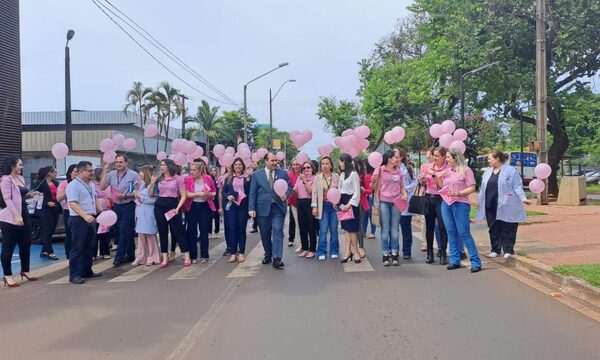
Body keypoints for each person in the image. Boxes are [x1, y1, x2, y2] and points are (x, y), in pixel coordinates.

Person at [433, 149, 482, 272]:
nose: (447, 159)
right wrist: (437, 177)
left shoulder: (466, 170)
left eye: (449, 157)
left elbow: (472, 187)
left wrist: (458, 193)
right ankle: (454, 260)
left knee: (464, 233)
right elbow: (440, 186)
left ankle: (475, 262)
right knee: (451, 232)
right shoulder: (448, 171)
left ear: (456, 157)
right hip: (446, 203)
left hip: (460, 204)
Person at [476, 150, 531, 259]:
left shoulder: (510, 171)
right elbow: (483, 188)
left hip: (507, 204)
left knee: (508, 227)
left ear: (497, 159)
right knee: (493, 228)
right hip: (490, 204)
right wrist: (479, 200)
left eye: (490, 158)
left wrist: (523, 198)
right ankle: (495, 249)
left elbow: (517, 186)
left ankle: (508, 250)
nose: (488, 160)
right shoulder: (487, 172)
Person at [248, 153, 292, 269]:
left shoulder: (282, 173)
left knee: (278, 230)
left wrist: (286, 195)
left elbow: (289, 187)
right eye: (272, 161)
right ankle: (268, 254)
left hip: (278, 207)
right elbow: (252, 193)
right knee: (265, 233)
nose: (275, 163)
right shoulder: (257, 175)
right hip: (262, 208)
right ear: (266, 161)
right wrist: (251, 208)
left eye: (276, 161)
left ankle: (277, 258)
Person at [1, 157, 38, 287]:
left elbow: (21, 196)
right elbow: (8, 200)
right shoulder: (5, 180)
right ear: (12, 166)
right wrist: (17, 216)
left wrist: (31, 195)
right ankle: (7, 275)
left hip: (25, 213)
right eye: (20, 165)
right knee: (8, 247)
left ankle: (25, 270)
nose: (22, 167)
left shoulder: (21, 179)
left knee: (26, 243)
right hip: (10, 218)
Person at [100, 154, 141, 267]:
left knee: (124, 229)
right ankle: (131, 253)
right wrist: (105, 171)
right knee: (123, 231)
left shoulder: (133, 175)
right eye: (117, 162)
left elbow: (137, 192)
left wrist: (125, 195)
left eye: (121, 162)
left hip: (128, 205)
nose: (118, 164)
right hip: (116, 206)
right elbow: (102, 187)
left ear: (126, 163)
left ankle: (119, 257)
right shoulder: (112, 174)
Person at [65, 161, 102, 284]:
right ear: (81, 171)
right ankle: (74, 274)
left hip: (90, 217)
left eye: (92, 170)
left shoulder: (90, 184)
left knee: (89, 246)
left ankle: (87, 270)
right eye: (89, 171)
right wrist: (84, 215)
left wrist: (98, 209)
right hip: (79, 218)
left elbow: (94, 197)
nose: (92, 173)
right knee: (77, 247)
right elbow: (73, 203)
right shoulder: (74, 185)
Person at [149, 159, 190, 268]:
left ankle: (186, 255)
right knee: (162, 232)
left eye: (164, 165)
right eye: (161, 165)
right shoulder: (159, 178)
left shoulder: (178, 179)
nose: (161, 167)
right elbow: (150, 194)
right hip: (160, 205)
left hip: (172, 205)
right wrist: (152, 183)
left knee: (178, 231)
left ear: (169, 166)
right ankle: (165, 257)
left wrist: (177, 208)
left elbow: (184, 195)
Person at [371, 150, 408, 266]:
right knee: (385, 229)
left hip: (396, 201)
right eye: (395, 157)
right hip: (384, 201)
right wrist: (373, 180)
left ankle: (395, 253)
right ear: (389, 159)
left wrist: (405, 194)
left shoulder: (399, 172)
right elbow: (373, 187)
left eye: (398, 158)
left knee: (395, 228)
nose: (398, 159)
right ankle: (385, 254)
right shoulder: (380, 170)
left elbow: (402, 186)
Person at [420, 146, 450, 265]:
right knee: (429, 227)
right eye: (434, 155)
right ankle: (430, 253)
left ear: (443, 157)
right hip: (428, 198)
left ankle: (443, 253)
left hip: (441, 198)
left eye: (438, 156)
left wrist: (433, 175)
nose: (435, 158)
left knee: (442, 226)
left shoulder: (447, 169)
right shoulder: (427, 166)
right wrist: (422, 179)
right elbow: (422, 182)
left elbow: (440, 187)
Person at [184, 161, 217, 264]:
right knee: (191, 231)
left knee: (204, 231)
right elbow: (186, 194)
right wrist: (199, 193)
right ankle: (193, 256)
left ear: (200, 170)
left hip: (205, 206)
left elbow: (214, 191)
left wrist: (209, 194)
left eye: (194, 170)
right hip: (192, 206)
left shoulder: (208, 178)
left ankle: (204, 255)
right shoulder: (187, 179)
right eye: (191, 170)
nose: (192, 172)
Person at [222, 158, 251, 263]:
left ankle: (241, 252)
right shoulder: (228, 178)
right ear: (233, 166)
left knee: (241, 229)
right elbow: (223, 192)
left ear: (242, 166)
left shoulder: (246, 178)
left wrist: (248, 179)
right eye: (235, 165)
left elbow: (250, 191)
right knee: (232, 229)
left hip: (243, 206)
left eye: (239, 164)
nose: (237, 166)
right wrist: (228, 196)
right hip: (232, 206)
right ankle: (233, 252)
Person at [312, 156, 340, 261]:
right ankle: (322, 251)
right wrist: (314, 207)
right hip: (322, 206)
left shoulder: (336, 176)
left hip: (333, 206)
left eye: (327, 163)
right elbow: (314, 193)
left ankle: (334, 251)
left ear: (331, 165)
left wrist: (337, 202)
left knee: (334, 229)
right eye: (323, 164)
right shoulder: (317, 178)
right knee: (323, 230)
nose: (325, 166)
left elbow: (340, 190)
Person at [132, 165, 160, 266]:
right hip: (140, 211)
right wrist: (136, 190)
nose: (139, 174)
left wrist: (141, 196)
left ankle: (153, 257)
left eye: (141, 172)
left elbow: (152, 200)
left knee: (149, 234)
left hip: (149, 212)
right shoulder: (142, 184)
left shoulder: (154, 185)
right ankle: (141, 257)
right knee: (141, 235)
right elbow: (139, 197)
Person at [338, 153, 363, 264]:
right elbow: (339, 189)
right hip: (343, 202)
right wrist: (339, 203)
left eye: (341, 161)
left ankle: (356, 251)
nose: (339, 164)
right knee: (346, 230)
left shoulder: (354, 174)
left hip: (351, 203)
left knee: (352, 229)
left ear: (345, 162)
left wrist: (350, 204)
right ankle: (348, 252)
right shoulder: (342, 175)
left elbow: (357, 192)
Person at [35, 166, 60, 260]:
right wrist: (46, 202)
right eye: (54, 172)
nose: (56, 173)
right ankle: (50, 252)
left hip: (55, 208)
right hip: (44, 209)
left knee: (52, 230)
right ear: (49, 173)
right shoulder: (40, 183)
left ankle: (44, 251)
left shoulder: (55, 183)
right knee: (47, 230)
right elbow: (36, 196)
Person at [397, 148, 418, 260]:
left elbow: (415, 181)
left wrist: (406, 188)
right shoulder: (390, 168)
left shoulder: (408, 169)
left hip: (406, 201)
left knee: (406, 227)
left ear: (401, 157)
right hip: (394, 201)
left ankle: (407, 251)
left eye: (396, 155)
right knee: (394, 228)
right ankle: (394, 250)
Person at [294, 160, 317, 258]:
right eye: (304, 168)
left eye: (308, 167)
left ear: (312, 168)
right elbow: (295, 189)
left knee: (311, 227)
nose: (306, 170)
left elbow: (310, 191)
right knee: (302, 227)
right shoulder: (299, 178)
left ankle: (312, 249)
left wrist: (305, 181)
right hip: (300, 202)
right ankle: (305, 248)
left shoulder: (315, 179)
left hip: (310, 202)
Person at [56, 164, 78, 260]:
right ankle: (69, 256)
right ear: (70, 173)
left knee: (80, 235)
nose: (77, 174)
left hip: (81, 211)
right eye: (76, 172)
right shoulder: (64, 184)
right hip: (68, 211)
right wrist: (69, 189)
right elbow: (59, 198)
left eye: (79, 171)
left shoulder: (83, 183)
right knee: (70, 234)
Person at [354, 157, 372, 258]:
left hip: (360, 203)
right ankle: (354, 247)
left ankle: (361, 247)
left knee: (358, 225)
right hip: (350, 203)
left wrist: (363, 190)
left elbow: (370, 191)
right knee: (352, 227)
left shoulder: (365, 177)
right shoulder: (349, 175)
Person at [93, 167, 112, 260]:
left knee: (104, 232)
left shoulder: (107, 184)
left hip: (105, 210)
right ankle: (93, 253)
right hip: (95, 210)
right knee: (95, 232)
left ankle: (105, 252)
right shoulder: (92, 184)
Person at [287, 159, 301, 249]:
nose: (295, 166)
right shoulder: (289, 175)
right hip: (293, 201)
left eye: (297, 164)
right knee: (294, 221)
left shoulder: (304, 174)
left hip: (303, 201)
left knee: (302, 222)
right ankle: (292, 239)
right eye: (293, 164)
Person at [209, 166, 221, 239]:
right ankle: (209, 232)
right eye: (212, 170)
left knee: (217, 216)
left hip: (216, 200)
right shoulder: (209, 179)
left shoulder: (218, 180)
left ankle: (216, 231)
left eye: (214, 170)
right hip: (210, 199)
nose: (213, 172)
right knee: (209, 216)